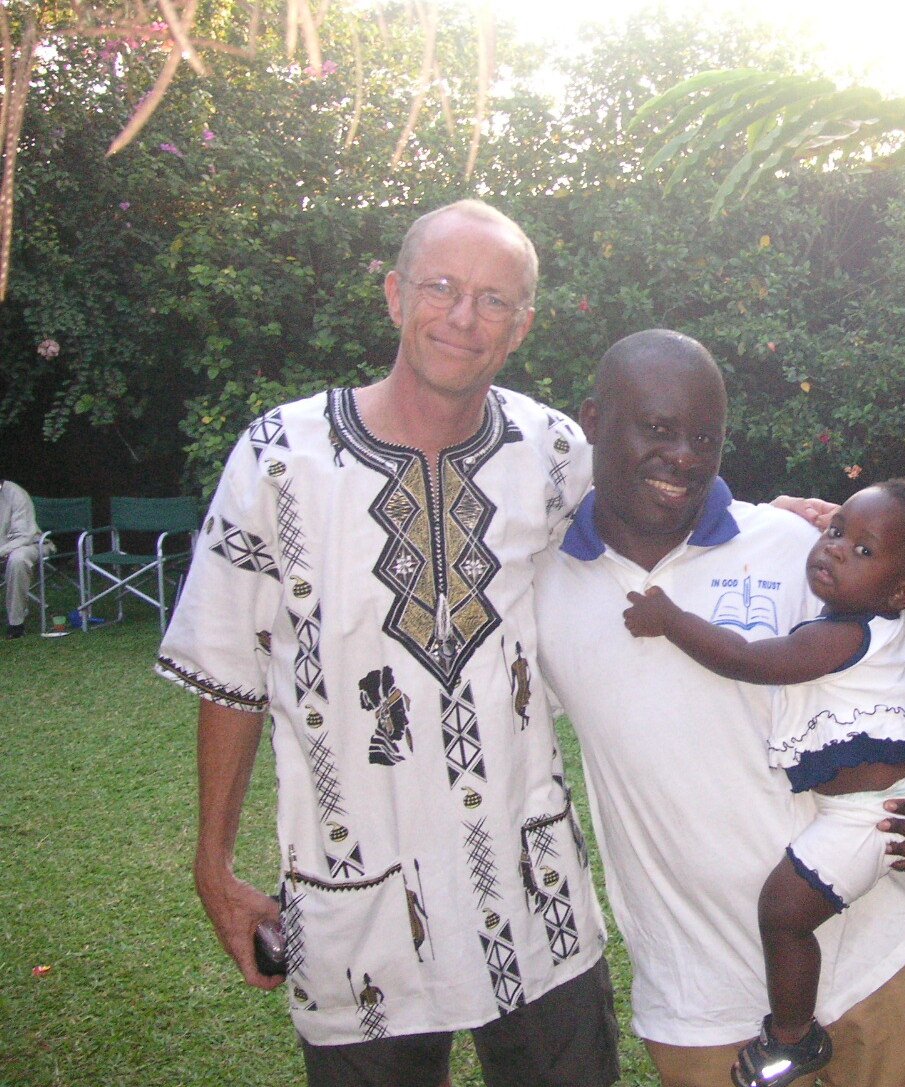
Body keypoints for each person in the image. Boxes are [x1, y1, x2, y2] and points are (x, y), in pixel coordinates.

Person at [156, 200, 619, 1087]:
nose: (462, 317)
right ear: (394, 294)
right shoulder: (279, 458)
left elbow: (653, 532)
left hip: (534, 899)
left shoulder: (555, 452)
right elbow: (231, 674)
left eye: (493, 300)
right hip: (359, 907)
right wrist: (213, 865)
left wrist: (769, 524)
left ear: (521, 326)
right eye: (441, 287)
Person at [535, 329, 905, 1087]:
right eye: (658, 429)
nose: (685, 458)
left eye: (705, 436)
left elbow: (898, 671)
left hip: (881, 952)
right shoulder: (538, 587)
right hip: (704, 1001)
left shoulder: (795, 544)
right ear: (594, 419)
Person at [621, 477, 905, 1087]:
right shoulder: (890, 630)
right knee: (788, 906)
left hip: (871, 817)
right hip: (897, 795)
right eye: (836, 531)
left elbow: (749, 660)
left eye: (862, 550)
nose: (832, 548)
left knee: (784, 912)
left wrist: (670, 619)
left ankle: (792, 1037)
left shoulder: (838, 636)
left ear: (900, 590)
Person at [1, 479, 43, 639]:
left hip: (28, 544)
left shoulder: (15, 494)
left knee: (18, 560)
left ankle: (16, 623)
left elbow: (24, 536)